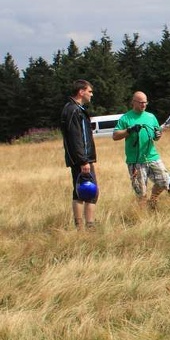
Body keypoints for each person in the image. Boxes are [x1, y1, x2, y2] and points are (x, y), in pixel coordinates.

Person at [112, 91, 170, 208]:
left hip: (152, 156)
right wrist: (129, 130)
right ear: (133, 102)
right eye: (140, 102)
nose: (143, 105)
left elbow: (156, 135)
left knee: (164, 181)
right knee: (141, 192)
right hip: (135, 160)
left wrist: (158, 135)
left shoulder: (151, 117)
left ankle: (153, 200)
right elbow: (115, 136)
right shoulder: (126, 118)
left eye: (145, 102)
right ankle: (142, 216)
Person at [60, 79, 98, 230]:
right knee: (89, 191)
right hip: (81, 160)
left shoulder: (72, 109)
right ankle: (88, 227)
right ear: (81, 92)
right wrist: (83, 161)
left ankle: (82, 227)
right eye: (89, 91)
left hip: (79, 159)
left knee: (80, 191)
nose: (91, 94)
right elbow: (76, 138)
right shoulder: (74, 110)